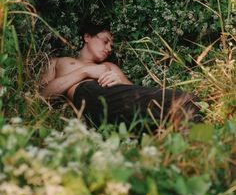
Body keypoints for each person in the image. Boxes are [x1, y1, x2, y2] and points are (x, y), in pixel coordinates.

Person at [40, 23, 198, 128]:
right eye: (105, 41)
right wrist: (85, 72)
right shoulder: (59, 62)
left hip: (115, 100)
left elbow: (134, 92)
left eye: (111, 45)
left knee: (184, 100)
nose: (109, 48)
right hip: (86, 96)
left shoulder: (109, 66)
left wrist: (118, 82)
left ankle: (195, 137)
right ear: (87, 37)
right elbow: (42, 95)